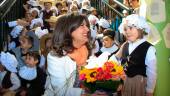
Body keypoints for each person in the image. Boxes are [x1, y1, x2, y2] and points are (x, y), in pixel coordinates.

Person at [43, 12, 93, 96]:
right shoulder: (55, 57)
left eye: (87, 25)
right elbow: (61, 92)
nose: (87, 29)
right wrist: (86, 94)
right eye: (82, 25)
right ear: (68, 30)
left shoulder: (85, 50)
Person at [115, 14, 157, 96]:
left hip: (139, 85)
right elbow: (121, 63)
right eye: (125, 29)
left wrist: (150, 90)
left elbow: (152, 72)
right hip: (124, 83)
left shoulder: (149, 48)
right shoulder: (125, 45)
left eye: (131, 28)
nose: (127, 31)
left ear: (140, 29)